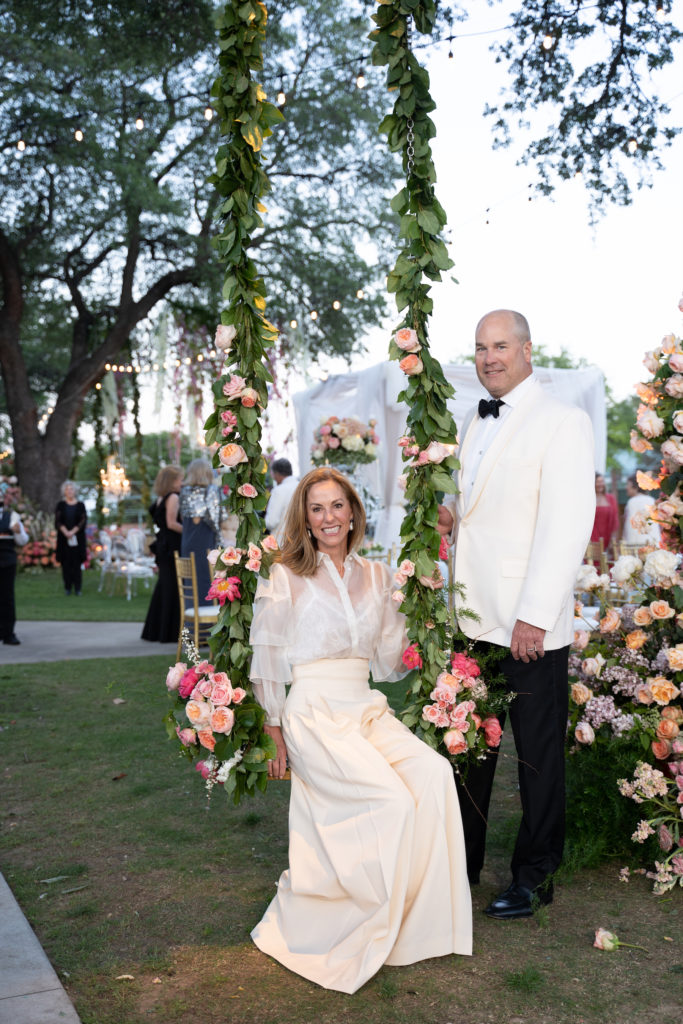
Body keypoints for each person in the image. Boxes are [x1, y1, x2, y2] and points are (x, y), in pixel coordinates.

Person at [249, 467, 471, 993]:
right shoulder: (284, 573)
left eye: (337, 506)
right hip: (312, 710)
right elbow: (267, 659)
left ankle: (419, 926)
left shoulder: (375, 573)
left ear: (353, 512)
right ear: (305, 517)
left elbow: (389, 660)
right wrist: (274, 727)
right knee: (389, 802)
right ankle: (357, 921)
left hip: (364, 705)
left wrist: (416, 606)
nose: (329, 517)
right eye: (317, 508)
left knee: (434, 774)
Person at [438, 309, 595, 919]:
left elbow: (566, 524)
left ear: (528, 350)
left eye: (500, 346)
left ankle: (534, 876)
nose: (489, 357)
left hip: (528, 624)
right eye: (480, 348)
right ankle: (461, 865)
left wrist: (534, 614)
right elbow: (477, 507)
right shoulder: (470, 421)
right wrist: (451, 516)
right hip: (472, 618)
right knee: (470, 749)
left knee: (536, 759)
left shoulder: (562, 421)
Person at [141, 465, 183, 643]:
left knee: (165, 587)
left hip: (163, 546)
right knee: (172, 587)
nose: (182, 483)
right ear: (172, 481)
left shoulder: (160, 498)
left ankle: (157, 630)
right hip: (172, 546)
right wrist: (191, 532)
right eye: (180, 479)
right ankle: (168, 632)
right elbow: (172, 523)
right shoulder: (173, 497)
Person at [179, 458, 221, 604]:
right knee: (204, 585)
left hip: (189, 542)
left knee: (192, 587)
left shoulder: (184, 491)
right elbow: (199, 519)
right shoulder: (205, 491)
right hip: (202, 543)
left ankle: (191, 625)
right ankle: (205, 623)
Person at [0, 483, 28, 645]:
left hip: (7, 561)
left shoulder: (13, 516)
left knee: (7, 597)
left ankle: (8, 632)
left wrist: (19, 531)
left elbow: (23, 541)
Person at [55, 481, 87, 596]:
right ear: (64, 491)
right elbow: (58, 521)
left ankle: (78, 588)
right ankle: (67, 587)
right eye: (67, 489)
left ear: (75, 491)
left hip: (77, 539)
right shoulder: (61, 505)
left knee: (76, 564)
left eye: (71, 489)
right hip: (64, 540)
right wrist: (66, 532)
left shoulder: (80, 505)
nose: (69, 491)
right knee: (66, 564)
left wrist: (73, 532)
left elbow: (83, 521)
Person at [264, 458, 298, 542]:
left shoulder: (278, 491)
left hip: (282, 542)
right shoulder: (301, 486)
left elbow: (271, 522)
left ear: (277, 474)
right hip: (301, 541)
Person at [622, 473, 660, 546]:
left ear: (635, 487)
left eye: (628, 485)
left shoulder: (632, 502)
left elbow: (629, 527)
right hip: (653, 543)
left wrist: (627, 544)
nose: (626, 487)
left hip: (636, 545)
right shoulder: (651, 500)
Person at [590, 472, 619, 557]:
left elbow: (615, 521)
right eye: (597, 482)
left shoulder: (611, 498)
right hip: (593, 539)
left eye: (602, 481)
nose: (600, 484)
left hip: (608, 538)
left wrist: (613, 541)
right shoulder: (589, 498)